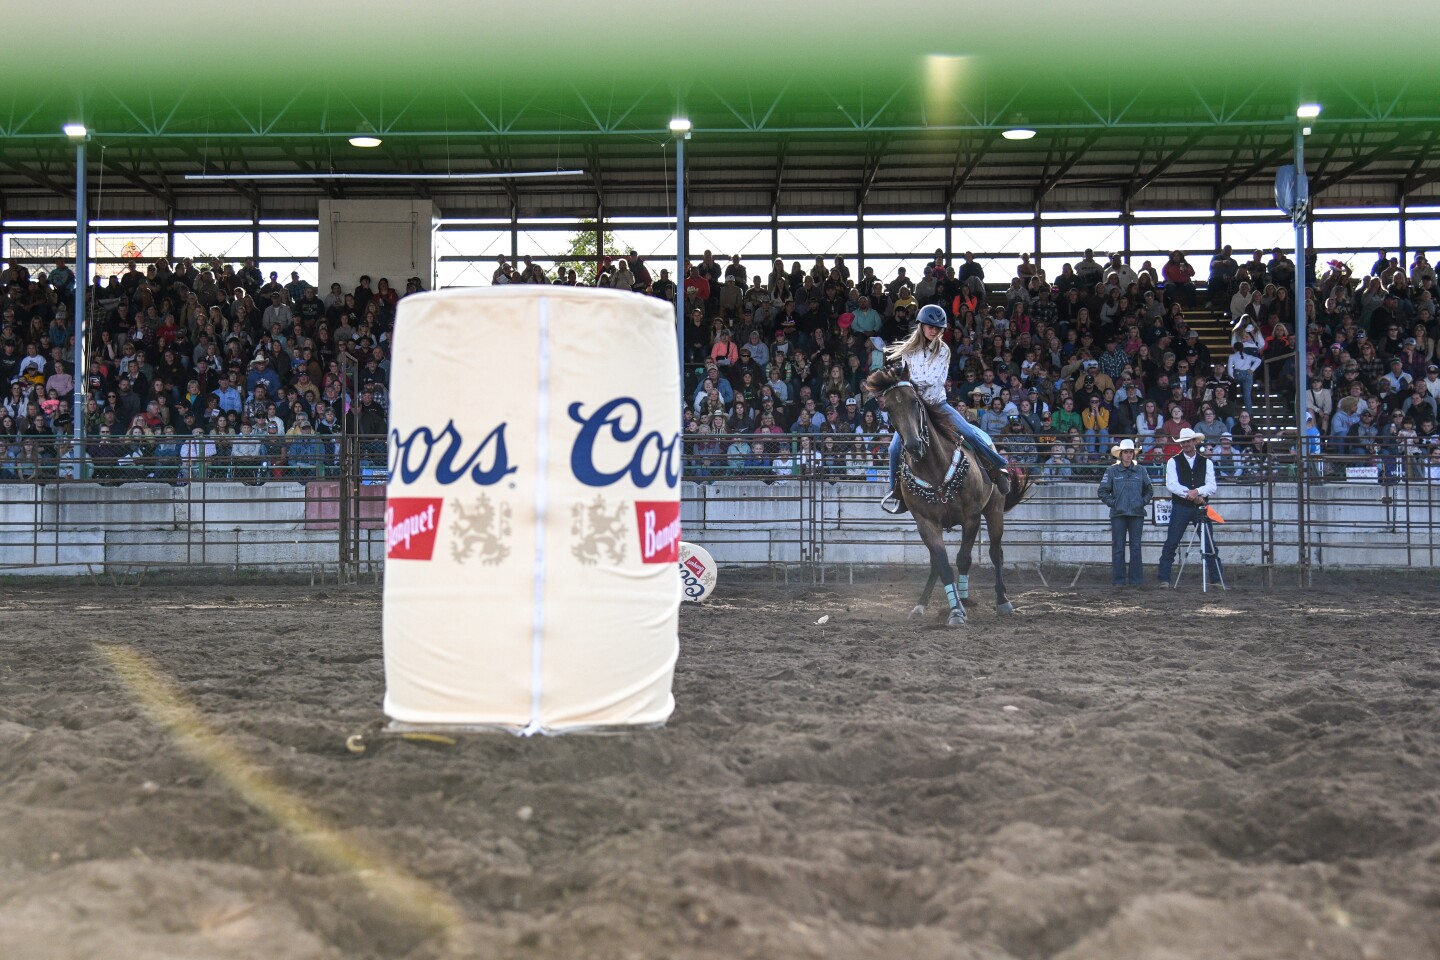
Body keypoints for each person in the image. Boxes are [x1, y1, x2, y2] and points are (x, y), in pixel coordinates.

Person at [879, 304, 1009, 515]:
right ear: (921, 326)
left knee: (969, 432)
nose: (934, 331)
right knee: (893, 449)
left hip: (938, 405)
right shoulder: (908, 351)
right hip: (914, 408)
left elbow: (935, 380)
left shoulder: (944, 351)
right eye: (930, 326)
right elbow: (904, 380)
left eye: (938, 328)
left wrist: (909, 380)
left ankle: (998, 468)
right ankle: (896, 492)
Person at [1157, 427, 1220, 588]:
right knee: (1172, 541)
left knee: (1208, 542)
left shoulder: (1206, 462)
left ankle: (1216, 579)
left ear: (1194, 442)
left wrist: (1196, 492)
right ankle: (1163, 578)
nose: (1185, 444)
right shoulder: (1173, 461)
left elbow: (1212, 486)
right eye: (1183, 442)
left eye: (1188, 441)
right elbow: (1171, 485)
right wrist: (1193, 494)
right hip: (1183, 505)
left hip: (1196, 506)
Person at [1097, 439, 1154, 587]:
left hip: (1135, 513)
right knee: (1119, 548)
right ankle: (1119, 581)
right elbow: (1102, 491)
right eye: (1126, 452)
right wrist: (1113, 503)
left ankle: (1135, 581)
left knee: (1135, 547)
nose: (1128, 455)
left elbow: (1149, 490)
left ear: (1133, 454)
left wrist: (1142, 502)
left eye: (1130, 452)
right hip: (1119, 514)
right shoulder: (1111, 471)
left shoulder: (1140, 470)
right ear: (1121, 454)